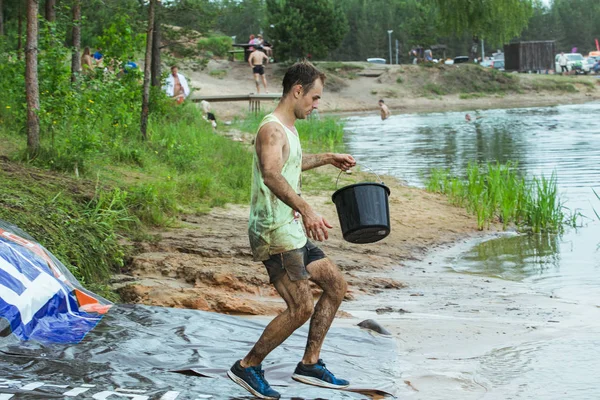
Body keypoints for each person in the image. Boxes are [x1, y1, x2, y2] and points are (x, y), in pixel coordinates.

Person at [227, 61, 356, 400]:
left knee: (336, 285)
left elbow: (290, 162)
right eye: (314, 98)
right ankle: (247, 366)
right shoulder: (271, 129)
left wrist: (328, 157)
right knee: (300, 307)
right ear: (297, 91)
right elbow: (271, 174)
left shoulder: (288, 128)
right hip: (274, 231)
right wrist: (307, 208)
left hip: (291, 228)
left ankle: (310, 364)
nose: (316, 105)